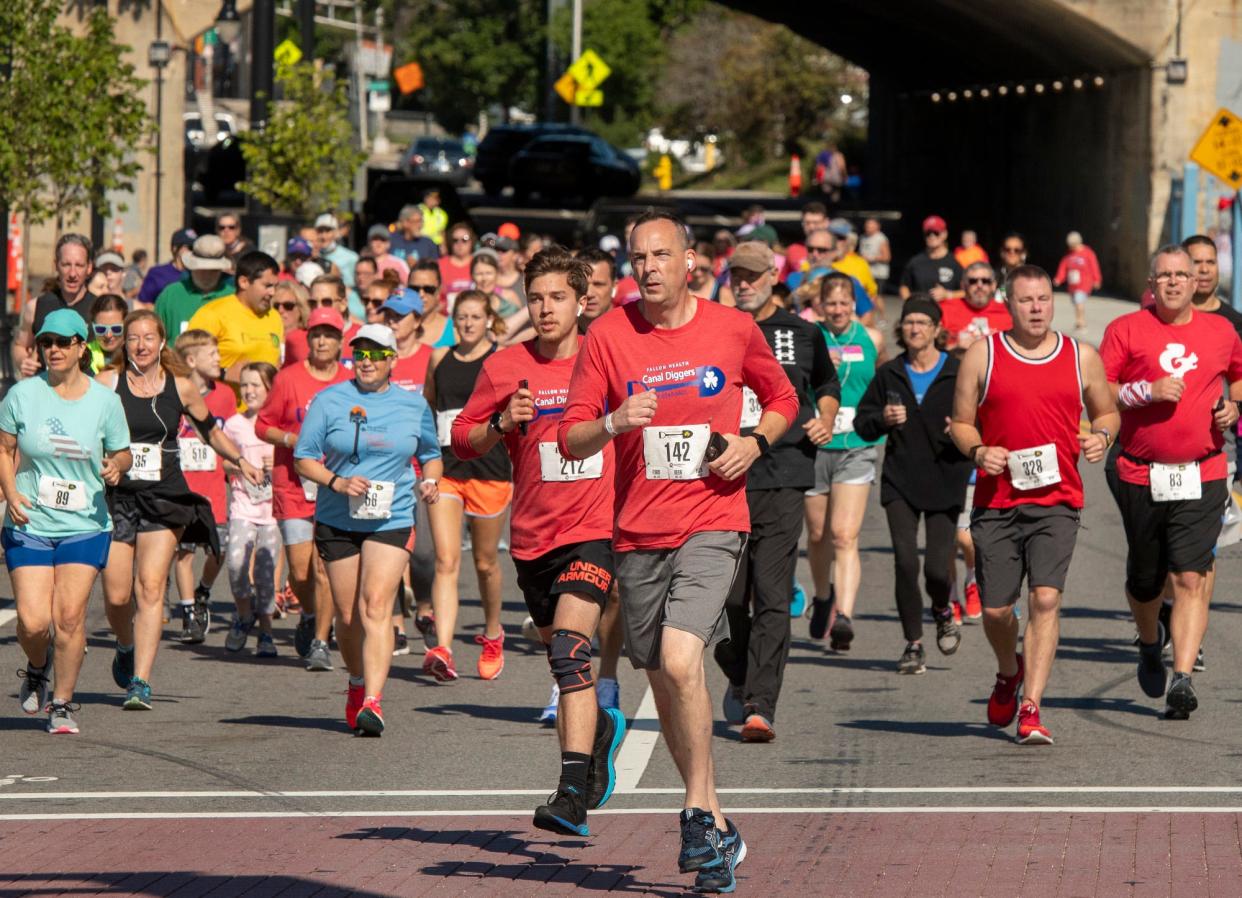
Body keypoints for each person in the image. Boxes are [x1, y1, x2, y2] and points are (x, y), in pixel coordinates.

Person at [558, 211, 799, 893]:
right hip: (637, 532)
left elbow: (783, 395)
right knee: (666, 679)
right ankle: (717, 820)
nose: (650, 268)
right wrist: (611, 422)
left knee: (678, 656)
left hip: (713, 520)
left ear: (690, 261)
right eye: (639, 258)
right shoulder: (607, 335)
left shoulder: (731, 328)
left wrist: (755, 443)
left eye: (662, 255)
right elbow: (570, 436)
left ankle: (693, 810)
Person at [450, 248, 627, 835]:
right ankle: (599, 730)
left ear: (584, 301)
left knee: (571, 655)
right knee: (564, 660)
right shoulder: (506, 366)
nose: (545, 308)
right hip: (532, 540)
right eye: (535, 298)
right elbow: (460, 440)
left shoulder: (608, 359)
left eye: (557, 297)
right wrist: (500, 423)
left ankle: (571, 794)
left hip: (593, 531)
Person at [950, 264, 1118, 744]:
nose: (1037, 308)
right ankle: (1009, 671)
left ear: (1054, 300)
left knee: (1045, 599)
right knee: (998, 611)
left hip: (1058, 500)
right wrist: (979, 451)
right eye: (1026, 300)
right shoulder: (984, 354)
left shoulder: (1078, 355)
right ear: (1009, 303)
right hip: (997, 500)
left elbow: (1107, 410)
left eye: (1044, 298)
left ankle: (1031, 705)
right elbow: (960, 423)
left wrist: (1102, 436)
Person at [1099, 245, 1242, 720]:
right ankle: (1147, 643)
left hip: (1203, 470)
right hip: (1141, 471)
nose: (1177, 282)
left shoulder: (1223, 331)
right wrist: (1148, 391)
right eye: (1166, 276)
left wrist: (1233, 407)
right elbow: (1102, 392)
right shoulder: (1125, 329)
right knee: (1147, 580)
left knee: (1189, 576)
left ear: (1196, 281)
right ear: (1152, 282)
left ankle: (1181, 677)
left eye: (1183, 274)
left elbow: (1238, 379)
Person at [98, 309, 263, 710]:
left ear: (162, 343)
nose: (140, 345)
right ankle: (124, 644)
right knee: (117, 595)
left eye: (148, 338)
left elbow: (211, 432)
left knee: (150, 587)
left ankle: (141, 680)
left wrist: (240, 461)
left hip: (164, 496)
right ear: (124, 343)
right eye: (133, 338)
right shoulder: (107, 384)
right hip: (118, 497)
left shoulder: (182, 387)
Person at [713, 241, 840, 741]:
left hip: (783, 471)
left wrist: (825, 417)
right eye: (736, 276)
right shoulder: (714, 328)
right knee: (727, 597)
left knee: (770, 593)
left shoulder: (802, 333)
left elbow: (826, 384)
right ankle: (740, 670)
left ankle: (760, 705)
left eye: (753, 275)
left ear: (773, 277)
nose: (744, 284)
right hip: (723, 475)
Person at [295, 323, 442, 736]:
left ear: (392, 360)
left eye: (377, 355)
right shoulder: (329, 400)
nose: (367, 362)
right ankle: (357, 682)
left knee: (376, 605)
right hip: (338, 518)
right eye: (360, 354)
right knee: (347, 615)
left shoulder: (413, 406)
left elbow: (431, 455)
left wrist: (431, 480)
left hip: (391, 516)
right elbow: (304, 457)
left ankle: (374, 702)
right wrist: (336, 482)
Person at [2, 309, 132, 734]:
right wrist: (10, 492)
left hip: (86, 522)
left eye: (62, 342)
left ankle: (62, 703)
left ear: (81, 346)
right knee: (34, 622)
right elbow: (4, 450)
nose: (53, 350)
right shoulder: (22, 395)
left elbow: (123, 451)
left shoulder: (105, 401)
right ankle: (38, 665)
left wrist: (116, 465)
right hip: (30, 521)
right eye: (46, 343)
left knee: (71, 617)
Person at [855, 298, 971, 673]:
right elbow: (862, 422)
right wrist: (882, 419)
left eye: (923, 322)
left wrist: (965, 431)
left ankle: (941, 608)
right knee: (905, 563)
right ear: (901, 328)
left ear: (938, 328)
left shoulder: (957, 373)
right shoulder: (890, 373)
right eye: (909, 322)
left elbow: (983, 418)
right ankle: (913, 644)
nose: (915, 328)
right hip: (900, 481)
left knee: (937, 570)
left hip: (946, 480)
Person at [422, 291, 513, 682]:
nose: (468, 324)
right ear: (453, 320)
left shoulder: (501, 359)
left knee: (485, 562)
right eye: (462, 317)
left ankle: (493, 633)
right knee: (446, 560)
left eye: (476, 317)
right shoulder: (439, 358)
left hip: (490, 469)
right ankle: (443, 647)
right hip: (447, 469)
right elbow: (429, 408)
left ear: (488, 319)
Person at [256, 307, 352, 671]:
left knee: (325, 567)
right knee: (300, 572)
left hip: (336, 485)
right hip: (294, 484)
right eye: (316, 334)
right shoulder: (288, 378)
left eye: (329, 334)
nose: (322, 340)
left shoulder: (349, 380)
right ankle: (310, 612)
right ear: (307, 339)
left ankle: (319, 642)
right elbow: (262, 426)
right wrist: (292, 438)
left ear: (340, 341)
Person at [805, 272, 885, 651]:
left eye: (844, 303)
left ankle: (846, 616)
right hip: (815, 444)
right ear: (821, 304)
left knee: (843, 535)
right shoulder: (809, 336)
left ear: (854, 304)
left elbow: (884, 383)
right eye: (830, 303)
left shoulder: (871, 338)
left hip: (856, 444)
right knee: (818, 535)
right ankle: (823, 596)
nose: (837, 310)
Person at [940, 263, 1014, 622]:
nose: (980, 287)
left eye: (987, 281)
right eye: (973, 281)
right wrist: (957, 345)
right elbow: (928, 347)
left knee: (973, 532)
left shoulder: (1006, 313)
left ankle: (972, 578)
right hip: (953, 412)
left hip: (995, 420)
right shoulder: (949, 310)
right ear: (963, 284)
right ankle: (953, 591)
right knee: (951, 529)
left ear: (995, 285)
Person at [169, 330, 237, 644]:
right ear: (192, 360)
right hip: (182, 486)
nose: (219, 360)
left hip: (214, 486)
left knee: (218, 548)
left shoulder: (224, 395)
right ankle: (188, 613)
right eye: (213, 355)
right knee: (182, 552)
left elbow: (230, 436)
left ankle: (202, 592)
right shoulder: (174, 392)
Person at [380, 288, 438, 651]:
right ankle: (396, 624)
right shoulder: (376, 357)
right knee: (390, 549)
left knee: (423, 554)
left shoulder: (432, 358)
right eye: (387, 313)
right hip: (383, 468)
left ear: (418, 320)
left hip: (419, 468)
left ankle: (426, 606)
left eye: (399, 315)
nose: (391, 321)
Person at [221, 363, 280, 657]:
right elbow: (225, 462)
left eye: (256, 385)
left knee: (266, 573)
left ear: (271, 388)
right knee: (235, 564)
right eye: (244, 385)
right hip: (243, 506)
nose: (249, 390)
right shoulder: (234, 424)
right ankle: (244, 615)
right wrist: (238, 465)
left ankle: (266, 632)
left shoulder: (278, 425)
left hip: (273, 511)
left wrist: (275, 463)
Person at [187, 251, 283, 389]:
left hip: (264, 409)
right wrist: (223, 373)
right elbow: (185, 361)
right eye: (267, 286)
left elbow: (277, 363)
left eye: (275, 286)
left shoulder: (274, 317)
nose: (273, 292)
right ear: (244, 282)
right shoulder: (212, 314)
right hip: (221, 407)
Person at [14, 234, 98, 379]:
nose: (72, 273)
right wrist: (23, 361)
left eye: (79, 265)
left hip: (86, 392)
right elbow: (20, 346)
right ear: (56, 265)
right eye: (66, 264)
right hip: (44, 391)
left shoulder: (99, 308)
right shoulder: (36, 306)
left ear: (89, 267)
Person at [154, 235, 236, 339]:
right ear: (192, 266)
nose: (207, 275)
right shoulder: (170, 295)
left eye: (213, 270)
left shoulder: (234, 297)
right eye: (202, 269)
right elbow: (156, 338)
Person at [940, 262, 1013, 353]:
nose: (979, 285)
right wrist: (956, 347)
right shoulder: (944, 310)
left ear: (993, 285)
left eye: (985, 281)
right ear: (963, 285)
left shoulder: (1009, 313)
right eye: (973, 281)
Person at [899, 216, 964, 300]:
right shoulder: (915, 262)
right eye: (928, 233)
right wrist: (910, 303)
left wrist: (947, 294)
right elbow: (904, 286)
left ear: (945, 234)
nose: (932, 236)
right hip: (920, 310)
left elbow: (966, 292)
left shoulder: (955, 262)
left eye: (936, 232)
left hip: (947, 311)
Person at [1054, 231, 1102, 335]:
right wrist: (1059, 278)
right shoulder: (1069, 255)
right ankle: (1080, 321)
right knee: (1076, 302)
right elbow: (1063, 267)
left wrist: (1097, 279)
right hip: (1072, 285)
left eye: (1073, 245)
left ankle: (1080, 322)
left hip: (1084, 283)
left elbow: (1094, 267)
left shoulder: (1088, 253)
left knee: (1079, 302)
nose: (1072, 248)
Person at [138, 229, 197, 306]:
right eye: (189, 247)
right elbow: (143, 303)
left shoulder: (199, 274)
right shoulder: (157, 273)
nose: (192, 251)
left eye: (194, 247)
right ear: (175, 248)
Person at [410, 261, 454, 349]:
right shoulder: (396, 328)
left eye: (428, 289)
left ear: (439, 291)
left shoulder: (455, 330)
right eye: (414, 289)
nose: (421, 294)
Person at [86, 295, 128, 374]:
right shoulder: (84, 355)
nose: (108, 335)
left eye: (116, 328)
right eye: (101, 329)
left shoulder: (136, 354)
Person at [438, 223, 476, 310]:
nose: (460, 243)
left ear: (472, 241)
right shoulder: (440, 265)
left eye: (465, 239)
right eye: (455, 240)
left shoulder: (478, 264)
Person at [274, 280, 310, 367]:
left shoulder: (309, 340)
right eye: (276, 306)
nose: (280, 310)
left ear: (301, 309)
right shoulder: (265, 336)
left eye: (288, 306)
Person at [859, 218, 891, 288]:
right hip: (866, 272)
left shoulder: (881, 238)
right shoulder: (862, 237)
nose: (868, 228)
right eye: (867, 226)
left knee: (877, 297)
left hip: (878, 274)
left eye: (870, 226)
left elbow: (887, 257)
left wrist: (871, 259)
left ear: (877, 227)